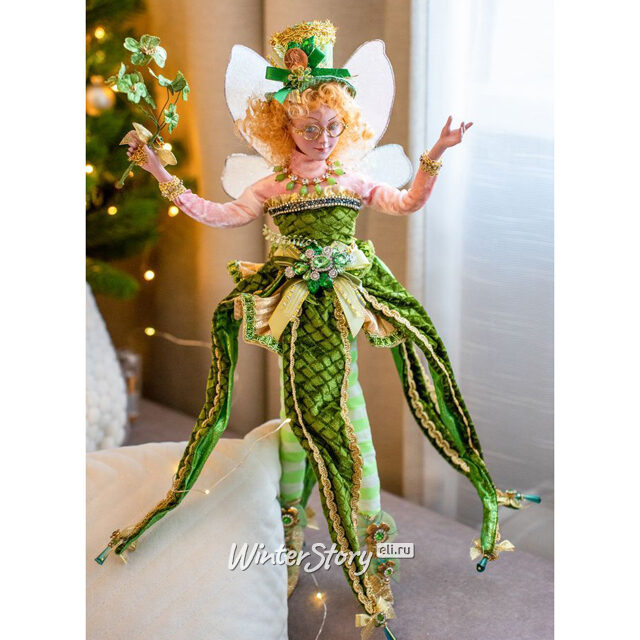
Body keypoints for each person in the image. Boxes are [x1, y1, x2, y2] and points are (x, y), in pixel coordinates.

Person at [96, 20, 539, 639]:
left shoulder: (351, 179)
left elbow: (407, 201)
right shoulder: (272, 185)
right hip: (295, 307)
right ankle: (291, 539)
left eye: (332, 127)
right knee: (304, 414)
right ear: (284, 127)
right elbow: (218, 214)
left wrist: (436, 154)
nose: (323, 138)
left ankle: (363, 547)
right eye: (310, 128)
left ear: (345, 125)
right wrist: (161, 175)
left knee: (338, 410)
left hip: (343, 303)